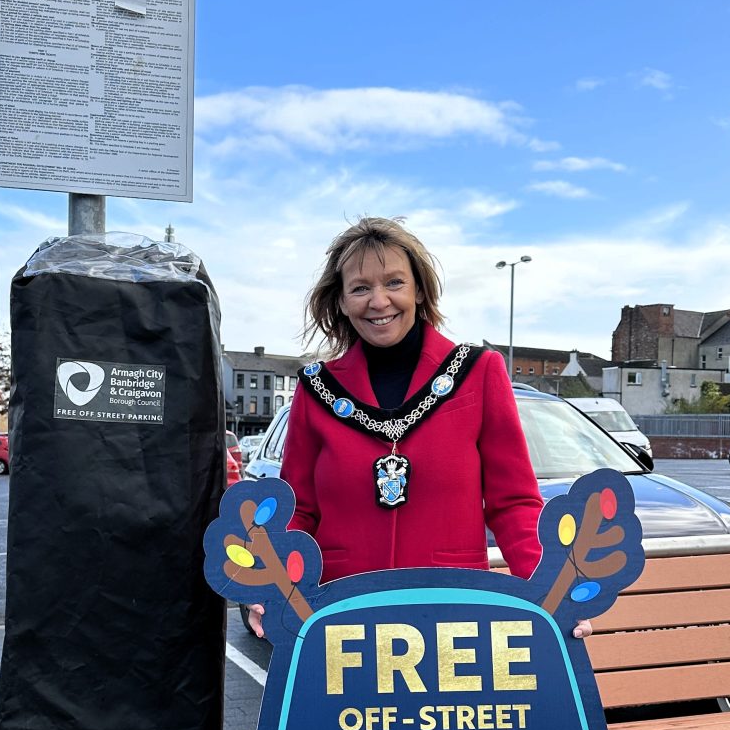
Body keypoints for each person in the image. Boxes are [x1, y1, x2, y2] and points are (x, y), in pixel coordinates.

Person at [249, 216, 588, 638]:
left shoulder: (479, 372)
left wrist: (552, 593)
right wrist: (268, 585)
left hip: (453, 615)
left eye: (394, 283)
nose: (378, 301)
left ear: (419, 290)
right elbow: (298, 510)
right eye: (360, 288)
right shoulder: (316, 388)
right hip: (340, 613)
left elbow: (514, 504)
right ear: (340, 301)